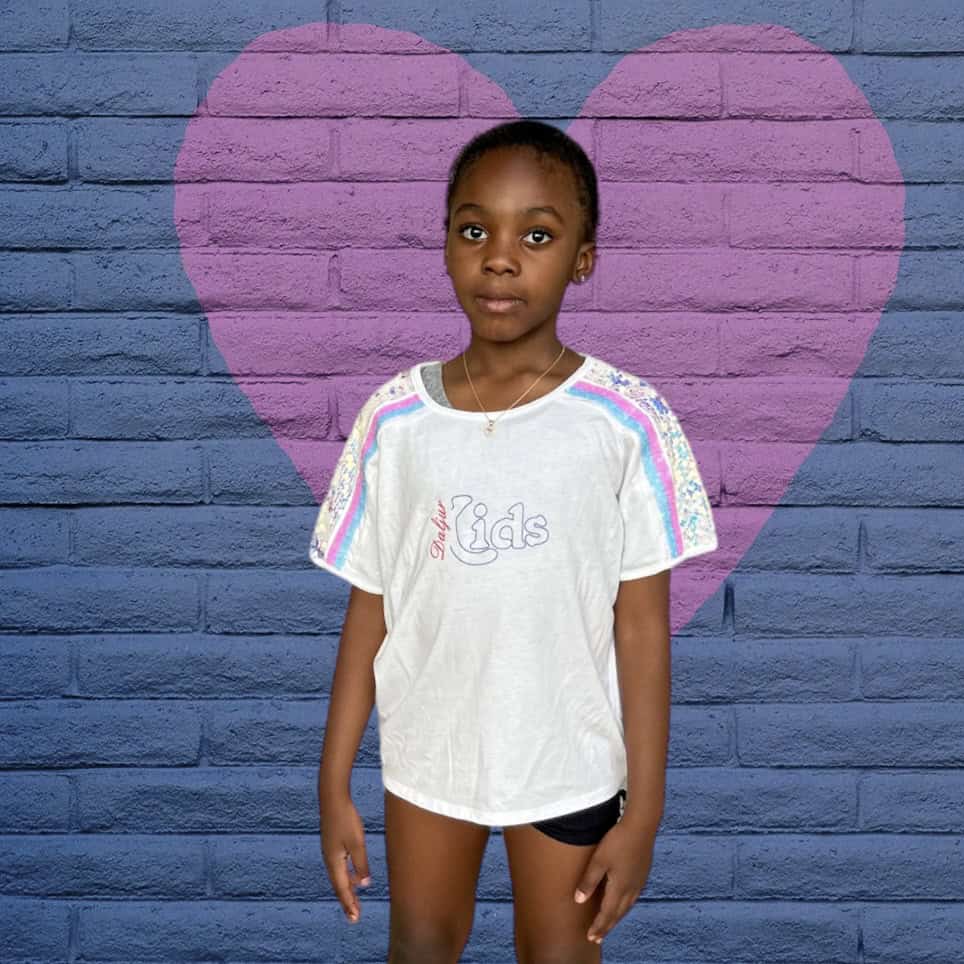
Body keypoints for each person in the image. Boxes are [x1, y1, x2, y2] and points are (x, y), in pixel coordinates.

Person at [310, 118, 718, 963]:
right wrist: (332, 779)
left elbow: (640, 629)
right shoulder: (395, 419)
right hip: (430, 753)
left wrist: (642, 812)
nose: (500, 257)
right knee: (420, 946)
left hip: (566, 758)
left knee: (560, 955)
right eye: (474, 230)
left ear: (582, 257)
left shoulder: (624, 418)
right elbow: (372, 605)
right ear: (447, 245)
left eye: (537, 235)